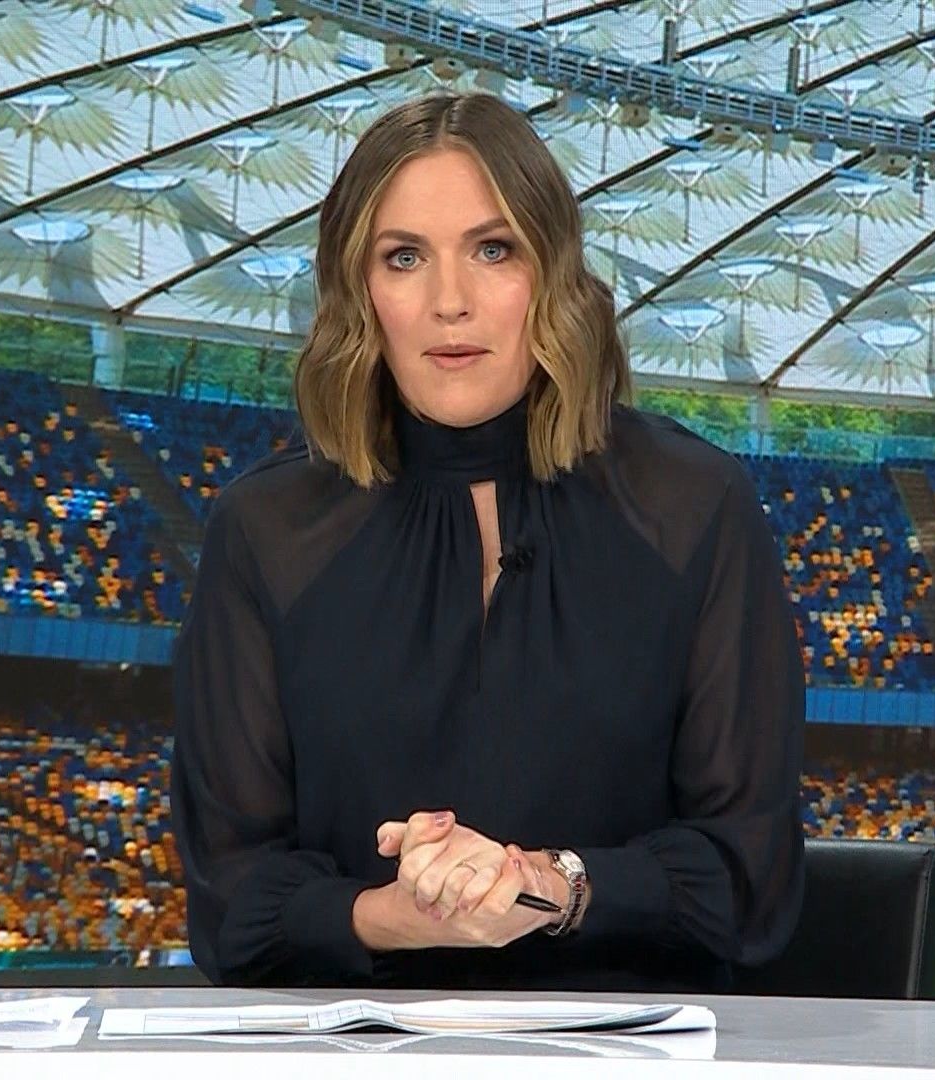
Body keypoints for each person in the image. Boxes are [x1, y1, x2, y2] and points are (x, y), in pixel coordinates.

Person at [170, 92, 804, 992]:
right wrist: (398, 914)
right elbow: (229, 900)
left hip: (627, 1045)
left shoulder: (695, 505)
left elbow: (751, 879)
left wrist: (552, 887)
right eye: (403, 258)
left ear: (553, 271)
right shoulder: (264, 531)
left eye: (493, 249)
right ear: (359, 291)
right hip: (349, 1047)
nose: (450, 303)